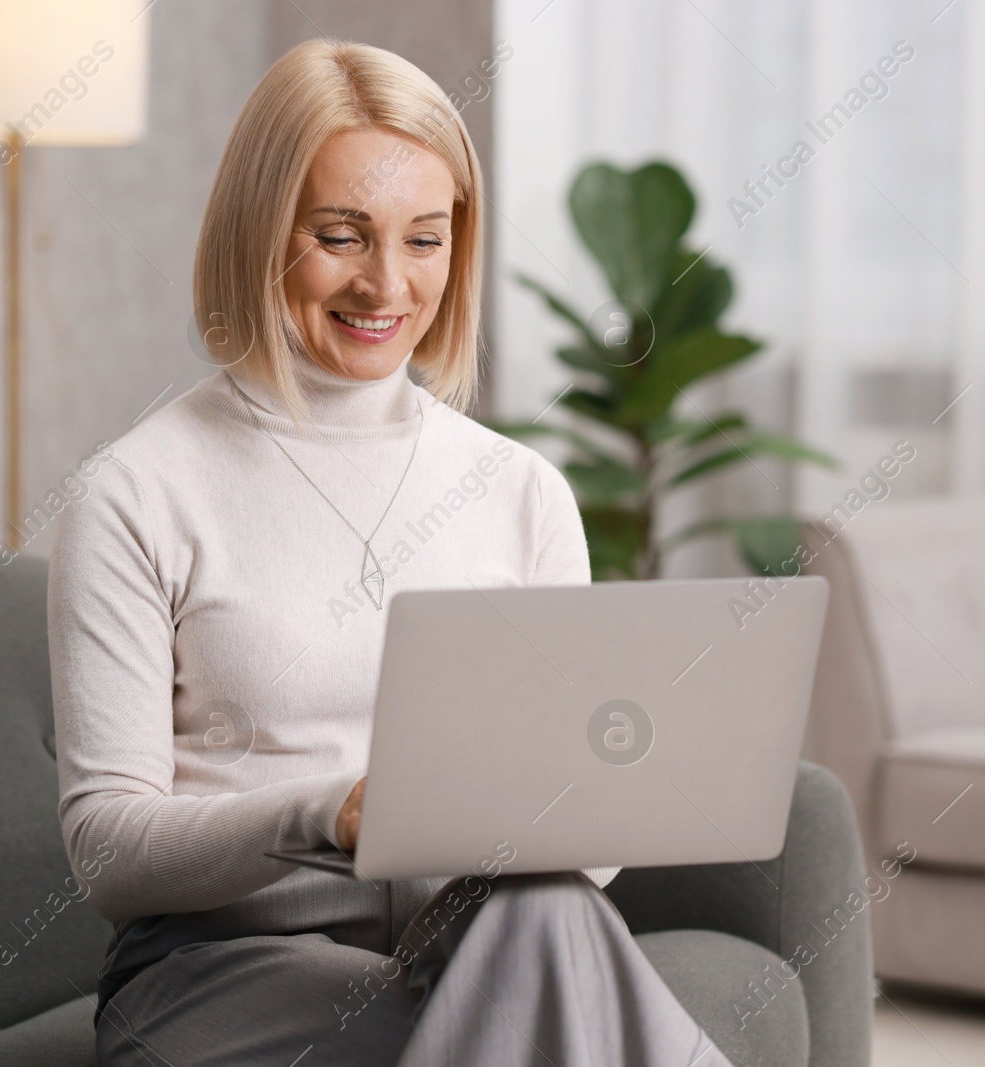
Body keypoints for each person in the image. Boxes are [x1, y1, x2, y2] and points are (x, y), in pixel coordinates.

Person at [47, 37, 733, 1067]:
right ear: (259, 230)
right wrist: (332, 812)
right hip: (221, 969)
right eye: (341, 235)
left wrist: (600, 799)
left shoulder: (520, 491)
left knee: (546, 918)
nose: (386, 283)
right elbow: (107, 852)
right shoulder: (136, 492)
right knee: (557, 1002)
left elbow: (584, 865)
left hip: (476, 939)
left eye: (424, 238)